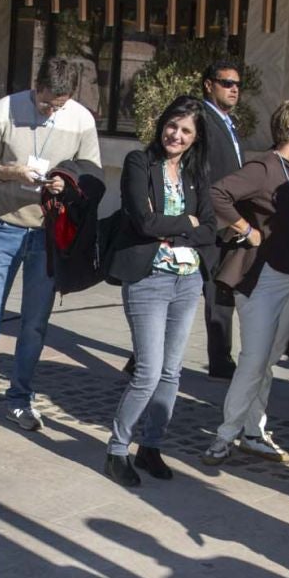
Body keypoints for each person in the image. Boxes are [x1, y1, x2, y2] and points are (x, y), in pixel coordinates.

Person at [0, 55, 102, 431]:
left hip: (48, 232)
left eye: (59, 106)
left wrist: (67, 181)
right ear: (36, 86)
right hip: (4, 225)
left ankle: (20, 398)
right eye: (46, 103)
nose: (51, 111)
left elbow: (92, 176)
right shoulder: (6, 108)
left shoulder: (81, 120)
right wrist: (11, 172)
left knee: (34, 322)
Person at [200, 100, 289, 465]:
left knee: (268, 359)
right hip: (264, 279)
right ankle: (225, 435)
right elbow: (218, 193)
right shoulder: (263, 167)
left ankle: (254, 431)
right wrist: (245, 229)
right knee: (254, 359)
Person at [102, 98, 216, 486]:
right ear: (162, 124)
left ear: (195, 138)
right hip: (148, 279)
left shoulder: (196, 171)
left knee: (171, 372)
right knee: (148, 372)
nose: (176, 135)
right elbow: (144, 221)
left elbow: (211, 229)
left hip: (188, 279)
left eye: (186, 131)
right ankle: (117, 451)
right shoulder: (139, 162)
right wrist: (187, 220)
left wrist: (175, 226)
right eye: (172, 126)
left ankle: (151, 446)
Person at [196, 60, 247, 379]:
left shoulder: (227, 122)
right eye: (226, 83)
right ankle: (142, 358)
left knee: (219, 290)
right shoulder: (201, 119)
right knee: (189, 288)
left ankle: (220, 359)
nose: (233, 89)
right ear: (208, 85)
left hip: (225, 220)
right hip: (207, 219)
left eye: (237, 85)